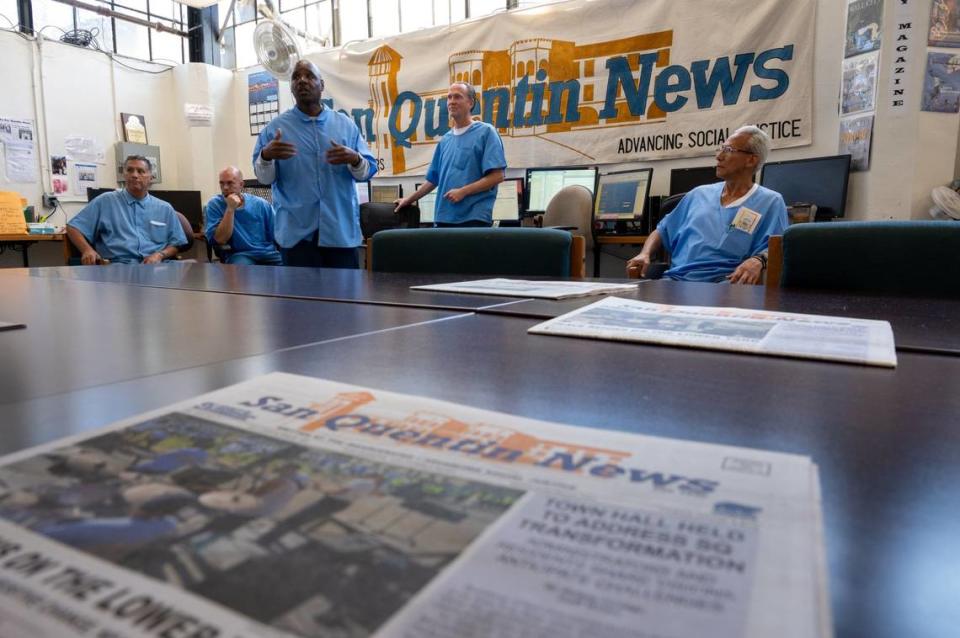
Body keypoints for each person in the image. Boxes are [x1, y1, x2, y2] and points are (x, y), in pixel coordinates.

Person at [252, 60, 376, 268]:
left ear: (322, 84)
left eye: (309, 76)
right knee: (300, 300)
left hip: (339, 232)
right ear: (291, 87)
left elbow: (367, 171)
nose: (302, 80)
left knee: (345, 298)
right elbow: (264, 178)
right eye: (296, 77)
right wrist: (266, 156)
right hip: (296, 236)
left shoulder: (345, 125)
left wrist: (354, 158)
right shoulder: (275, 130)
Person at [626, 125, 788, 284]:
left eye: (729, 150)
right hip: (676, 280)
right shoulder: (698, 194)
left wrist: (758, 261)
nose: (719, 156)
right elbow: (662, 230)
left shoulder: (770, 201)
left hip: (726, 282)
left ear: (751, 160)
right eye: (721, 149)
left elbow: (778, 248)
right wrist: (644, 253)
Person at [394, 82, 506, 226]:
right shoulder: (445, 140)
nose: (452, 101)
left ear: (471, 102)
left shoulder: (486, 132)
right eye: (449, 97)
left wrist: (463, 191)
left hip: (473, 219)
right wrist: (408, 200)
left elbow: (498, 176)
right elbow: (433, 180)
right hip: (443, 219)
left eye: (458, 97)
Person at [67, 155, 186, 265]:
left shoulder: (165, 208)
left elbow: (177, 243)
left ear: (151, 177)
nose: (134, 175)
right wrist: (87, 250)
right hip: (118, 267)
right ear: (124, 174)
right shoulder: (105, 201)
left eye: (140, 171)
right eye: (130, 170)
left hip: (156, 266)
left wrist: (160, 255)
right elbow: (73, 227)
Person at [205, 166, 282, 265]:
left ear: (241, 185)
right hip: (240, 255)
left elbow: (278, 234)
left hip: (267, 253)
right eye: (221, 183)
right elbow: (220, 239)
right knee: (243, 274)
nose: (225, 188)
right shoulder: (214, 205)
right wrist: (230, 209)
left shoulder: (261, 204)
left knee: (293, 270)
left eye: (230, 183)